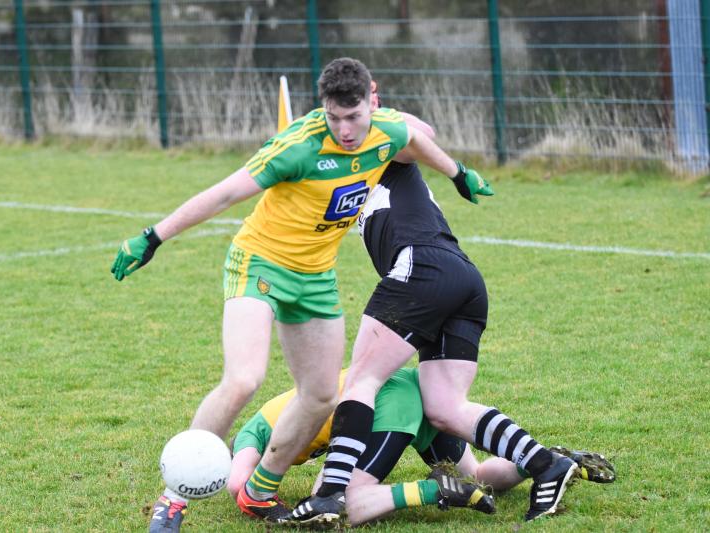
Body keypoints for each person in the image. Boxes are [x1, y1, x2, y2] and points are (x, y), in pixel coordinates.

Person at [110, 57, 493, 532]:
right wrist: (153, 236)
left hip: (315, 278)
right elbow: (225, 193)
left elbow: (416, 139)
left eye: (354, 117)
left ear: (370, 105)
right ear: (323, 108)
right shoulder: (297, 147)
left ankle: (258, 492)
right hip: (260, 263)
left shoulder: (386, 130)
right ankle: (172, 500)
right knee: (244, 378)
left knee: (320, 395)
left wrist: (458, 173)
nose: (345, 129)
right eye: (334, 117)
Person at [290, 157, 582, 525]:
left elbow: (416, 132)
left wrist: (457, 172)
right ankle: (546, 464)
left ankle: (330, 494)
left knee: (362, 379)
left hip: (420, 267)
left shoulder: (382, 146)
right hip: (462, 277)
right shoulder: (344, 177)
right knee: (445, 407)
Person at [227, 367, 614, 526]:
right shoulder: (270, 422)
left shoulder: (251, 435)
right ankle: (548, 461)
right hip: (409, 385)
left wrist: (262, 499)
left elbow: (238, 485)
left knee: (333, 503)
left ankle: (433, 490)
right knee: (478, 473)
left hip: (390, 401)